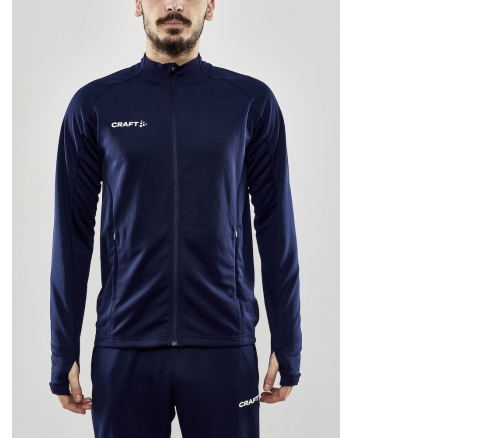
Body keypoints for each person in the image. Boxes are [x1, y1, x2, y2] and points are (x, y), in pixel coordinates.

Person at [49, 1, 302, 436]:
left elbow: (277, 228)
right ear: (137, 5)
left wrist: (288, 341)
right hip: (125, 346)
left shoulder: (250, 102)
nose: (173, 5)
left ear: (210, 6)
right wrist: (62, 350)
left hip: (224, 345)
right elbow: (70, 236)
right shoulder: (94, 104)